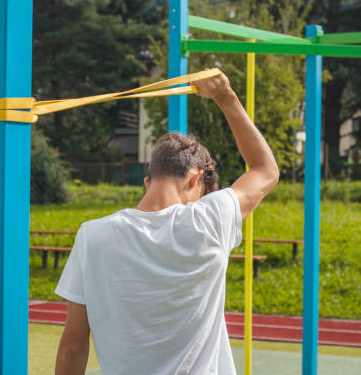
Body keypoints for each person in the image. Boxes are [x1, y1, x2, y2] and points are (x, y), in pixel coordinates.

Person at [54, 70, 279, 375]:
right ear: (196, 177)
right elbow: (265, 169)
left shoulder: (93, 235)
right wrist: (226, 98)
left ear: (148, 181)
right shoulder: (209, 220)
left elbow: (73, 346)